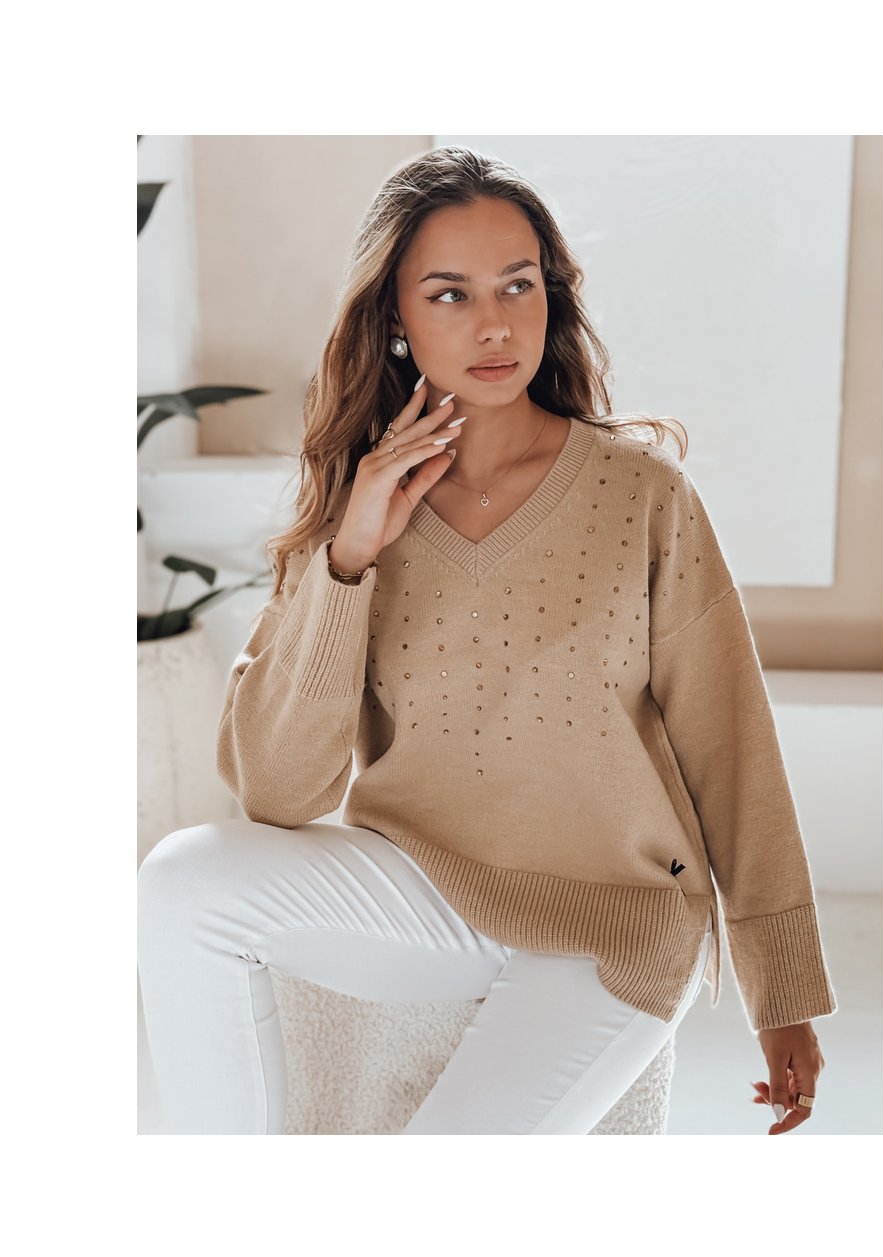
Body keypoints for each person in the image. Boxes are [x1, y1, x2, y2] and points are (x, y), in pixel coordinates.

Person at [138, 145, 837, 1135]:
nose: (495, 323)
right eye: (450, 294)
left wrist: (783, 993)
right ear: (395, 317)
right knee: (181, 881)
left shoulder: (642, 497)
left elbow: (733, 749)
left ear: (552, 294)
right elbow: (277, 794)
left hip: (611, 920)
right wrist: (350, 557)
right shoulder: (353, 511)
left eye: (517, 284)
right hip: (423, 889)